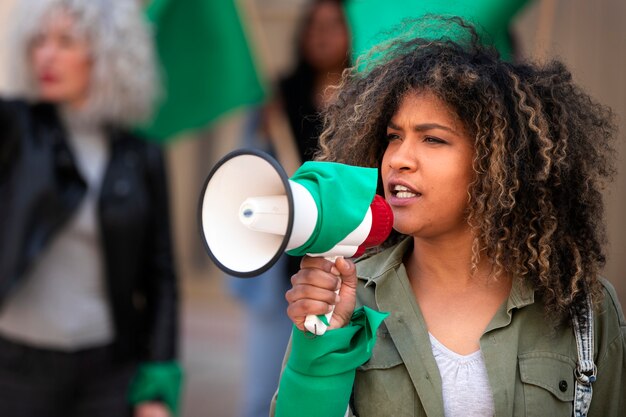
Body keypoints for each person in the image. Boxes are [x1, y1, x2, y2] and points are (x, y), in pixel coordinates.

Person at [270, 17, 626, 417]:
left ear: (497, 164)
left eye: (433, 139)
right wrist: (317, 349)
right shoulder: (350, 297)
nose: (399, 159)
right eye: (393, 137)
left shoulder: (581, 307)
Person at [0, 1, 181, 417]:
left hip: (108, 372)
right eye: (39, 40)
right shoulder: (16, 132)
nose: (47, 54)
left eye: (65, 41)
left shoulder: (142, 155)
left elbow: (161, 276)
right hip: (16, 368)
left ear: (105, 53)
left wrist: (157, 386)